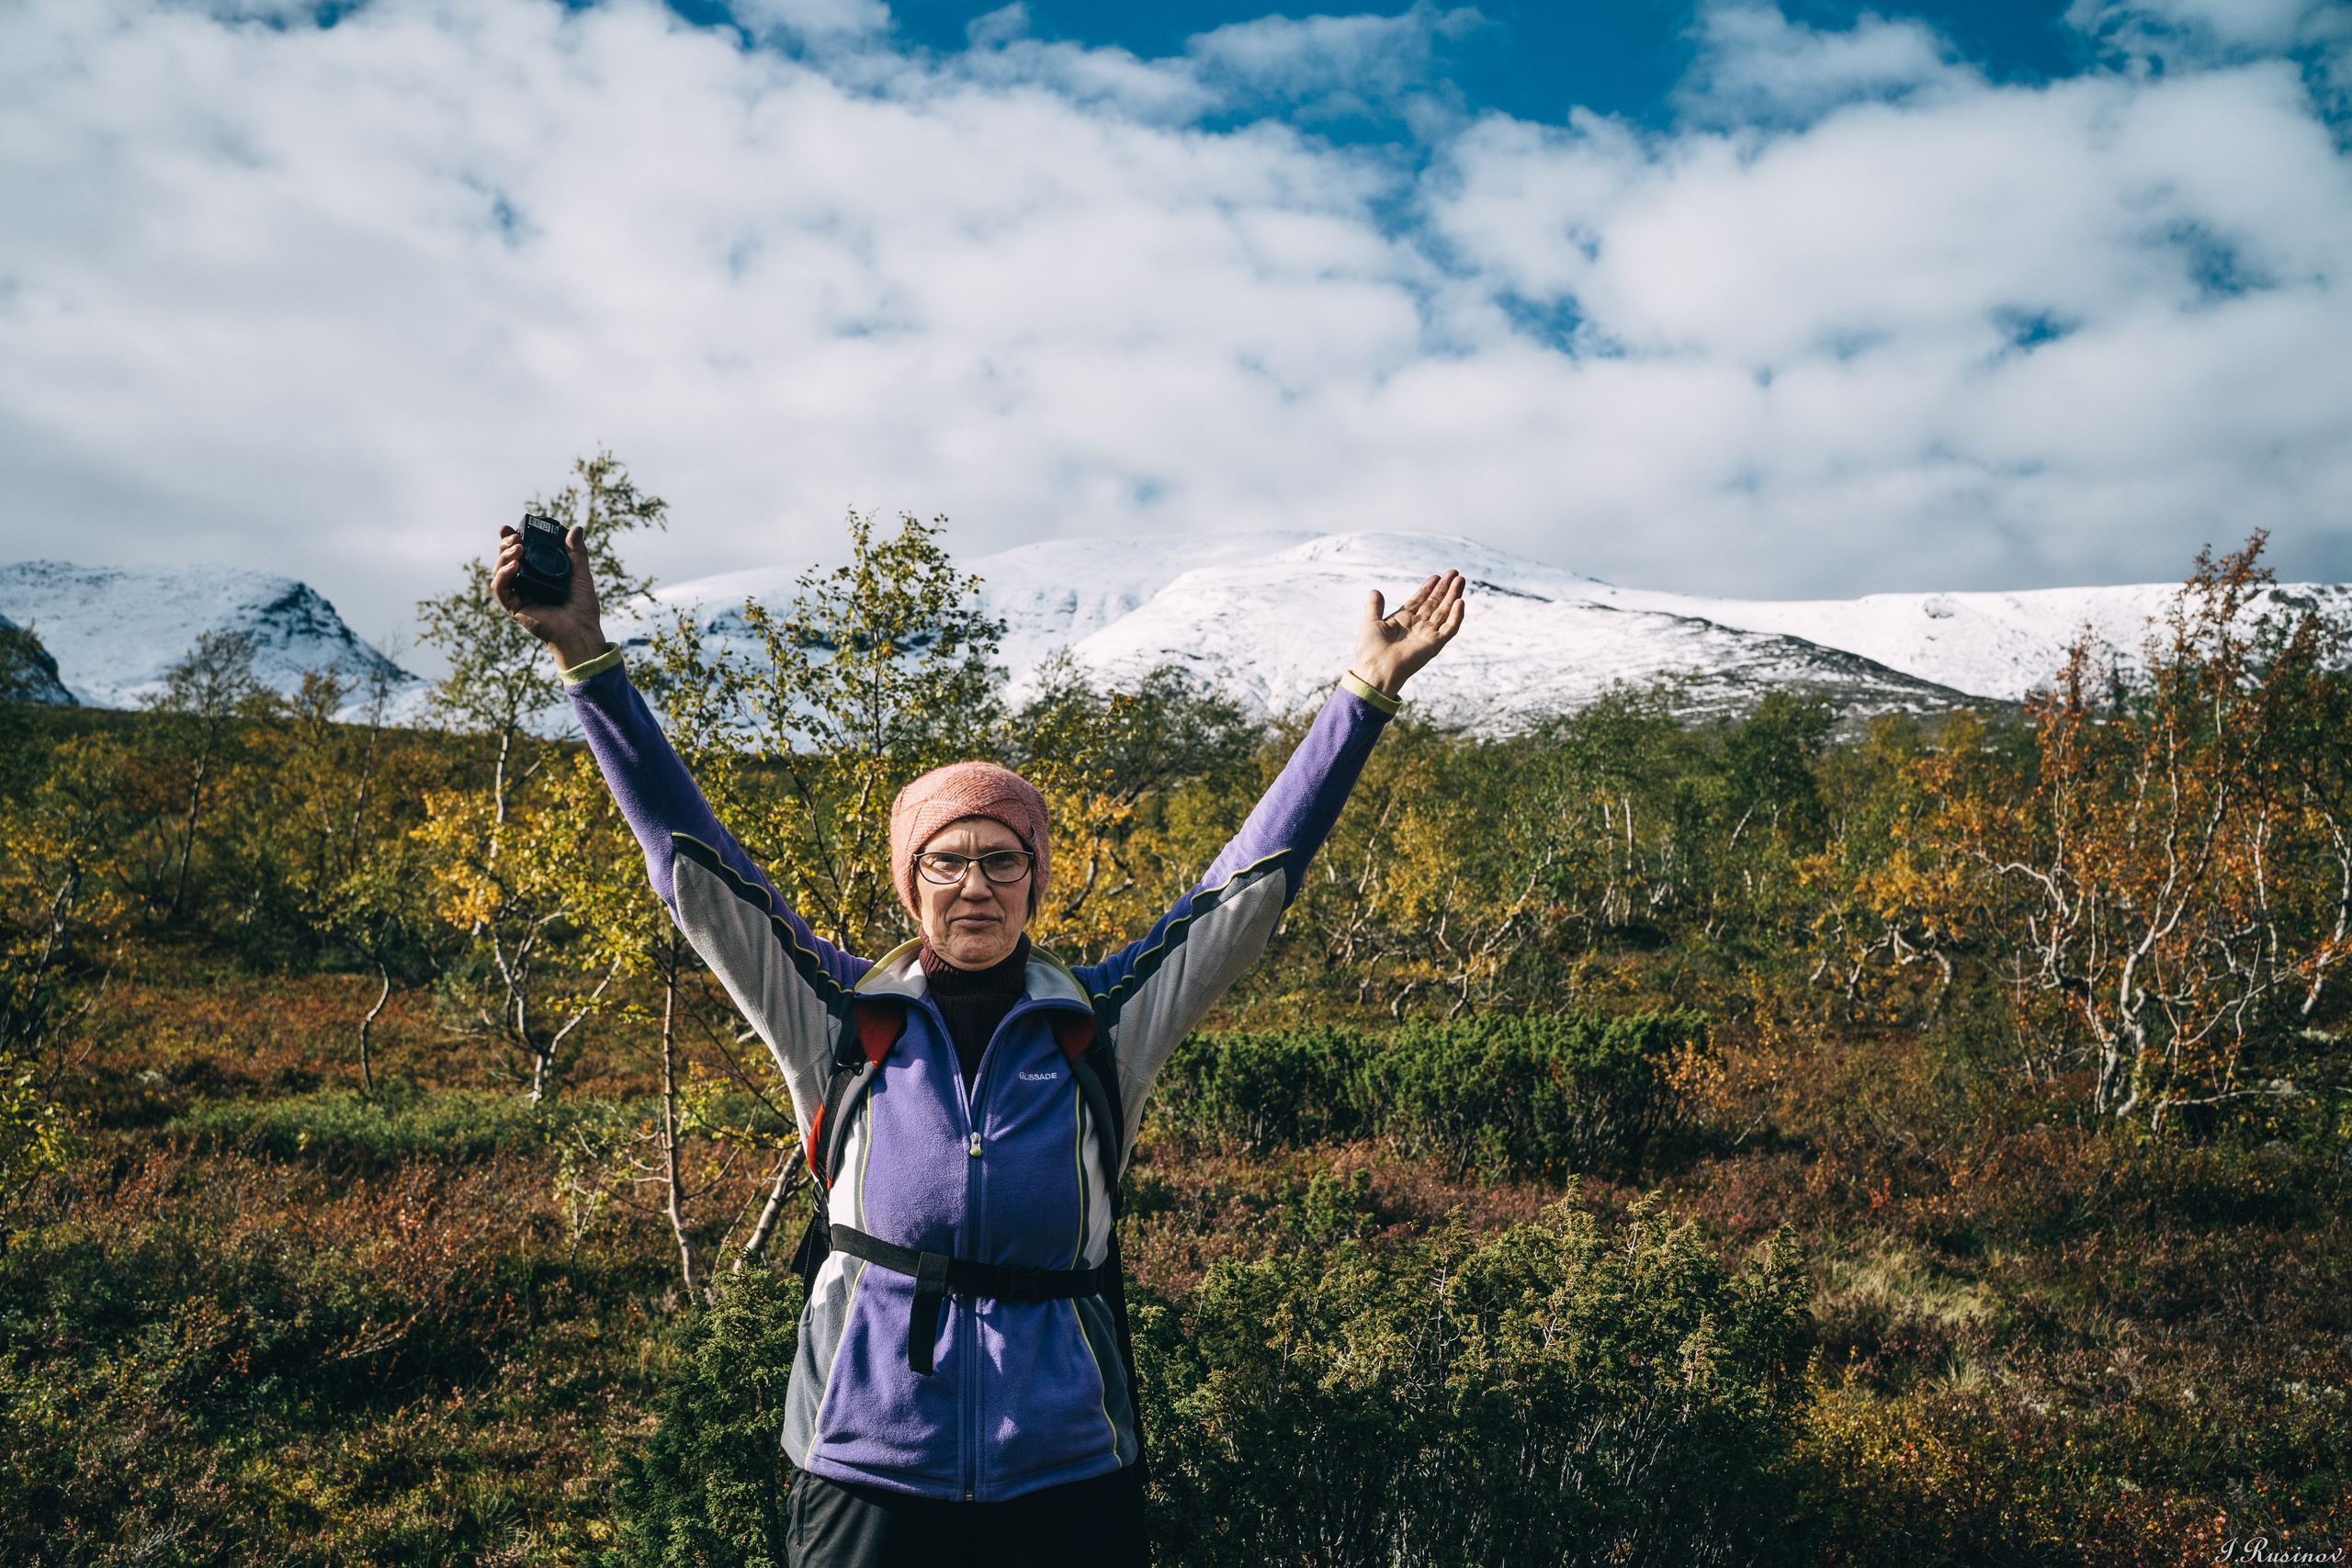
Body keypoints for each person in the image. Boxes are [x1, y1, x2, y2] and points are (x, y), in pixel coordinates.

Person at [493, 525, 1464, 1567]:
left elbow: (1247, 888)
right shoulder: (834, 1014)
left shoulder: (1100, 1021)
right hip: (864, 1461)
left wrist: (1361, 699)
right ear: (911, 887)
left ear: (1035, 880)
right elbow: (693, 865)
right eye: (944, 863)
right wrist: (584, 662)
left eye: (1003, 860)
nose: (976, 885)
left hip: (1065, 1467)